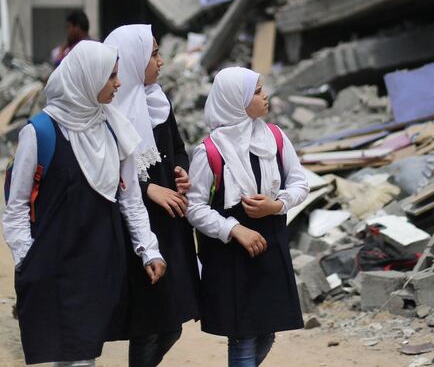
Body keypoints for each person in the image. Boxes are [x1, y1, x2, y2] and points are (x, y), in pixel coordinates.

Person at [2, 41, 166, 366]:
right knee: (69, 352)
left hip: (99, 260)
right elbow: (17, 205)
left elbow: (130, 198)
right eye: (111, 76)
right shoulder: (40, 132)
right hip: (54, 263)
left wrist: (149, 248)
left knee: (83, 352)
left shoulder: (115, 128)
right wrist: (27, 259)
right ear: (87, 78)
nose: (118, 83)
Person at [186, 67, 309, 367]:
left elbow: (300, 183)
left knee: (267, 331)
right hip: (231, 256)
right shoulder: (210, 151)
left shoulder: (275, 138)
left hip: (270, 246)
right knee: (242, 337)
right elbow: (194, 206)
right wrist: (233, 229)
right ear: (234, 100)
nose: (265, 95)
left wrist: (276, 205)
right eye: (256, 91)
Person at [104, 25, 200, 366]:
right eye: (153, 53)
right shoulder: (109, 111)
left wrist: (182, 170)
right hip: (137, 226)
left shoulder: (159, 101)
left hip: (171, 222)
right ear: (132, 59)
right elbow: (108, 175)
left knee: (172, 324)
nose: (161, 61)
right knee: (150, 323)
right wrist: (149, 188)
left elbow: (177, 147)